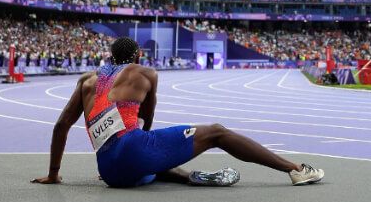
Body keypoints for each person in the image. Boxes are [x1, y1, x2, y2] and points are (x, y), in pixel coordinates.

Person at [33, 37, 323, 188]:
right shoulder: (144, 73)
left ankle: (186, 177)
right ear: (137, 56)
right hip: (133, 150)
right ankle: (295, 170)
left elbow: (61, 126)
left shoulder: (87, 80)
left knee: (151, 161)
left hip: (109, 171)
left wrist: (54, 174)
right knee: (217, 132)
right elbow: (147, 120)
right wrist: (138, 148)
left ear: (109, 56)